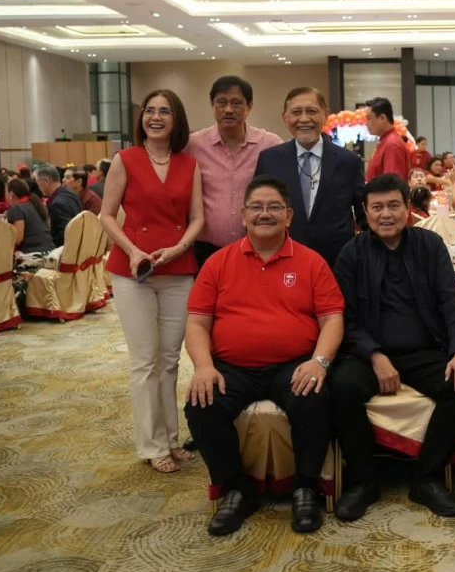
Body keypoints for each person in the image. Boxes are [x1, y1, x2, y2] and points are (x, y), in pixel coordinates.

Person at [183, 176, 344, 536]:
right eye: (256, 207)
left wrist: (318, 362)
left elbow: (332, 318)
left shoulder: (312, 262)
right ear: (243, 215)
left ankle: (305, 486)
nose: (264, 214)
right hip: (232, 368)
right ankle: (237, 488)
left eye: (274, 207)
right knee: (200, 403)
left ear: (289, 216)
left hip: (294, 365)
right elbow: (196, 323)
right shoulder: (218, 263)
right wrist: (204, 367)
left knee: (315, 396)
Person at [331, 174, 455, 520]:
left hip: (425, 350)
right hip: (368, 354)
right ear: (364, 213)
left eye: (393, 205)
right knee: (340, 388)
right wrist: (375, 355)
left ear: (408, 208)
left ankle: (426, 478)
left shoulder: (430, 246)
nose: (386, 214)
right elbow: (344, 316)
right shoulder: (352, 253)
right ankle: (364, 481)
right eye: (377, 207)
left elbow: (453, 302)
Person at [100, 89, 204, 474]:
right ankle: (151, 445)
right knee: (144, 361)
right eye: (150, 111)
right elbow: (107, 215)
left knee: (170, 360)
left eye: (165, 112)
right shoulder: (124, 160)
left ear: (176, 120)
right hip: (134, 271)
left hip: (178, 269)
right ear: (141, 117)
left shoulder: (188, 164)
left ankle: (171, 440)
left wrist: (179, 248)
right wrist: (132, 250)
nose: (155, 117)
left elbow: (197, 218)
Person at [255, 87, 366, 269]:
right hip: (280, 259)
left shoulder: (349, 161)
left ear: (326, 114)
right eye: (296, 112)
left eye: (312, 111)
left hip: (337, 263)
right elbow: (256, 209)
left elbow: (364, 214)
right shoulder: (269, 159)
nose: (304, 119)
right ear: (285, 117)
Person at [186, 75, 285, 266]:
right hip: (205, 250)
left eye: (236, 103)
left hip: (256, 248)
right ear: (212, 105)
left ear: (249, 107)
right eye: (221, 103)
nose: (228, 109)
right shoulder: (193, 145)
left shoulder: (270, 144)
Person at [35, 165, 83, 248]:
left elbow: (65, 235)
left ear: (46, 181)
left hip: (67, 251)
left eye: (38, 182)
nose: (38, 186)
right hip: (81, 244)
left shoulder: (57, 204)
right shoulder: (71, 193)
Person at [364, 97, 410, 181]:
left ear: (382, 118)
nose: (366, 124)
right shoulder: (385, 140)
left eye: (369, 118)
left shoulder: (392, 144)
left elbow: (391, 185)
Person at [5, 178, 54, 253]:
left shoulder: (16, 209)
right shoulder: (40, 205)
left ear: (11, 194)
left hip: (31, 255)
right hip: (51, 252)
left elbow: (18, 240)